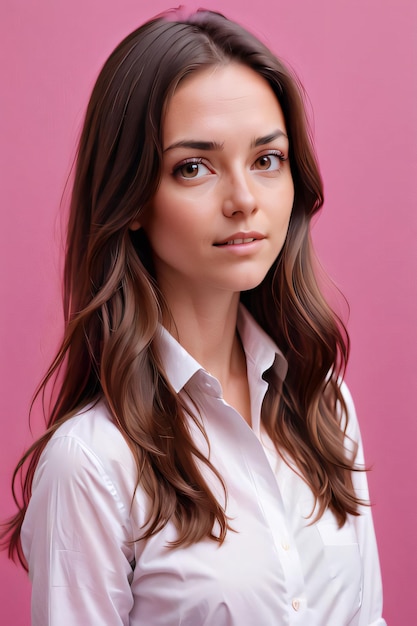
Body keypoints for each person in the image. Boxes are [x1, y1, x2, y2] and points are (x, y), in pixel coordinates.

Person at [2, 8, 386, 625]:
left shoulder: (324, 404)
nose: (244, 200)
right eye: (193, 167)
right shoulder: (92, 463)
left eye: (267, 159)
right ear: (128, 199)